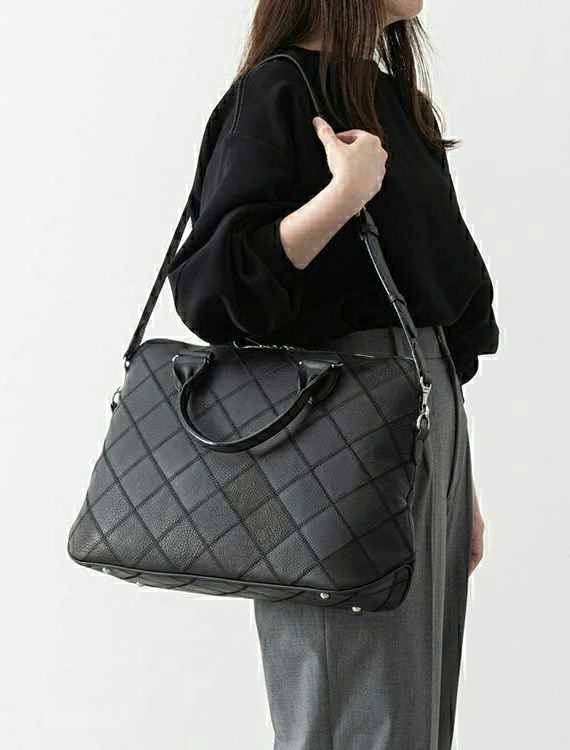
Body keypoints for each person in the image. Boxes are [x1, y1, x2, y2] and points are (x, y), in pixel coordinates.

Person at [169, 1, 499, 748]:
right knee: (347, 718)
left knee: (410, 719)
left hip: (425, 419)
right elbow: (214, 289)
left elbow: (443, 315)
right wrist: (343, 197)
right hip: (327, 422)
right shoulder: (278, 92)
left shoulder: (400, 105)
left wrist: (459, 483)